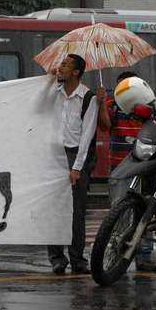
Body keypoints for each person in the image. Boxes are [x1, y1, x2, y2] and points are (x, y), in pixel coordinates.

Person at [97, 71, 156, 272]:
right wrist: (100, 104)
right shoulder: (112, 106)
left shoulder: (151, 107)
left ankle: (144, 256)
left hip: (146, 167)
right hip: (121, 167)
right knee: (119, 212)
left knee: (147, 211)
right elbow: (105, 125)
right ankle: (118, 254)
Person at [48, 54, 98, 275]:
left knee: (76, 212)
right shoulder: (53, 93)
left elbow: (87, 136)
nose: (61, 68)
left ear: (76, 72)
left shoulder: (88, 98)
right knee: (54, 209)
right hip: (53, 156)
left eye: (66, 65)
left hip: (75, 155)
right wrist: (46, 81)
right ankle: (57, 259)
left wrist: (77, 167)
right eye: (61, 64)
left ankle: (78, 259)